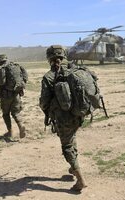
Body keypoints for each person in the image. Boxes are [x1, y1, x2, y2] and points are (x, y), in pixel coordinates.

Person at [39, 45, 87, 191]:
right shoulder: (75, 70)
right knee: (71, 138)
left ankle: (80, 180)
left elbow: (44, 102)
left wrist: (46, 108)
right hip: (79, 114)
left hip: (63, 118)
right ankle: (74, 168)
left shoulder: (49, 76)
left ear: (49, 58)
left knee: (67, 146)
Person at [0, 54, 28, 138]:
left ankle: (10, 132)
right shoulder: (16, 66)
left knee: (6, 114)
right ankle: (21, 126)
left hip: (5, 96)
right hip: (16, 94)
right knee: (16, 112)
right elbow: (25, 77)